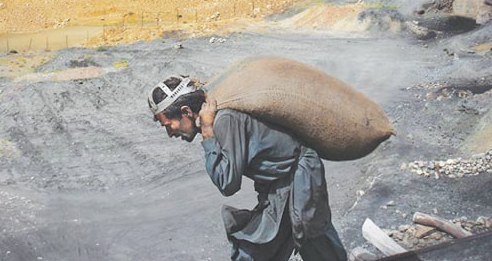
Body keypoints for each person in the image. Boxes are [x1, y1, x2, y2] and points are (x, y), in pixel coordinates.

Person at [148, 74, 347, 261]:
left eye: (168, 125)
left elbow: (227, 184)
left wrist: (208, 135)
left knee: (312, 236)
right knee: (255, 249)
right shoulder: (218, 117)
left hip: (300, 175)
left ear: (186, 112)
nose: (169, 133)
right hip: (278, 185)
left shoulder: (224, 121)